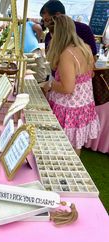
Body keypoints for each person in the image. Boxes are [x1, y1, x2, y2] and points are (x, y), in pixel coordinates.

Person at [43, 15, 100, 156]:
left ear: (56, 34)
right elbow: (90, 74)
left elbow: (67, 88)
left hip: (69, 107)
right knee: (75, 145)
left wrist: (50, 84)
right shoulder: (85, 47)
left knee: (62, 148)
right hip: (83, 105)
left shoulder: (66, 54)